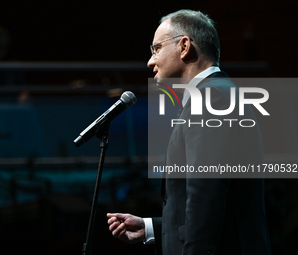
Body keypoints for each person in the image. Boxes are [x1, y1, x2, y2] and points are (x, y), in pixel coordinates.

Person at [107, 9, 272, 255]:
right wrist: (152, 228)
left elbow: (206, 199)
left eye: (156, 49)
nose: (150, 61)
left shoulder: (212, 98)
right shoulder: (216, 95)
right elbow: (218, 207)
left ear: (184, 46)